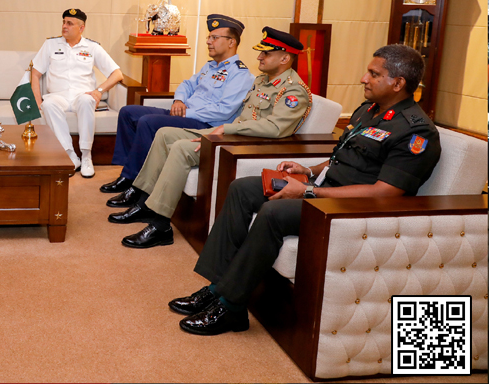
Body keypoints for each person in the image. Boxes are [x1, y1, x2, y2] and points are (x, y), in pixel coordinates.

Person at [174, 44, 441, 335]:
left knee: (273, 211)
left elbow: (386, 192)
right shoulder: (369, 111)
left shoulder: (416, 131)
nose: (364, 78)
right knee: (242, 189)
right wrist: (308, 172)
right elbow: (345, 158)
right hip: (325, 190)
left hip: (351, 210)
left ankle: (231, 306)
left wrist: (309, 192)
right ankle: (216, 288)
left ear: (398, 83)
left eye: (374, 74)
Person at [110, 27, 311, 249]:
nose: (259, 57)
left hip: (246, 144)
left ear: (284, 58)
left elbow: (274, 128)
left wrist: (228, 129)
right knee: (164, 133)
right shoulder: (263, 80)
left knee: (180, 148)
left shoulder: (294, 91)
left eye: (266, 53)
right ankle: (144, 201)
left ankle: (160, 226)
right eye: (260, 52)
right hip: (232, 134)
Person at [102, 14, 255, 202]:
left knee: (147, 122)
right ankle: (128, 175)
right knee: (128, 112)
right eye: (209, 37)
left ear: (231, 42)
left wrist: (186, 112)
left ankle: (136, 185)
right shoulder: (210, 67)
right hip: (184, 113)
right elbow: (186, 85)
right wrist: (179, 101)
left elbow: (224, 110)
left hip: (203, 124)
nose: (208, 42)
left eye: (214, 37)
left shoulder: (240, 74)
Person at [31, 8, 123, 178]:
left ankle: (87, 156)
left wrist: (99, 91)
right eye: (63, 22)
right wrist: (37, 101)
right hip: (58, 96)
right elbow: (35, 73)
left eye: (69, 23)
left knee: (88, 100)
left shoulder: (92, 47)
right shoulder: (50, 45)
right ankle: (70, 155)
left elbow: (117, 74)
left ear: (81, 28)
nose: (64, 26)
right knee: (48, 103)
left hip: (82, 96)